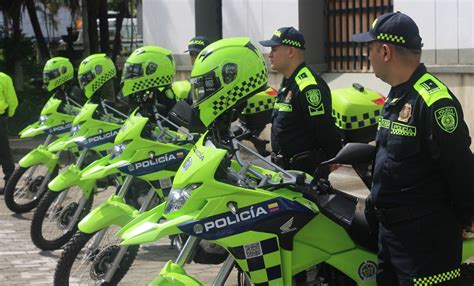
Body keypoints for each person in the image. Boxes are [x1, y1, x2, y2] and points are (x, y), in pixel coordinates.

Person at [352, 11, 474, 285]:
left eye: (369, 49)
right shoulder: (396, 95)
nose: (366, 56)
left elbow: (460, 166)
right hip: (391, 237)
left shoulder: (433, 101)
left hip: (425, 245)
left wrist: (468, 216)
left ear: (384, 51)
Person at [259, 27, 341, 175]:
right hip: (285, 171)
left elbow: (324, 128)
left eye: (274, 49)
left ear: (291, 51)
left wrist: (333, 157)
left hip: (304, 173)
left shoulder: (308, 86)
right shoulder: (288, 82)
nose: (270, 55)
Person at [0, 72, 18, 194]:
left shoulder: (4, 78)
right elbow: (12, 100)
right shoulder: (4, 78)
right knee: (4, 150)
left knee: (4, 151)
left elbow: (12, 100)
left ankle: (9, 184)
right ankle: (9, 185)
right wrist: (9, 113)